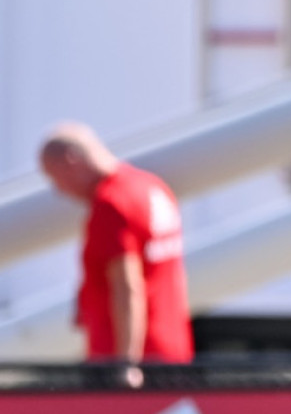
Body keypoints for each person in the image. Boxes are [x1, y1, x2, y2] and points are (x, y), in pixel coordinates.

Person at [38, 122, 193, 385]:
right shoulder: (151, 186)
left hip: (130, 364)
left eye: (55, 178)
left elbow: (127, 287)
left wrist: (126, 363)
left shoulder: (111, 204)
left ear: (70, 161)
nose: (59, 191)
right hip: (170, 349)